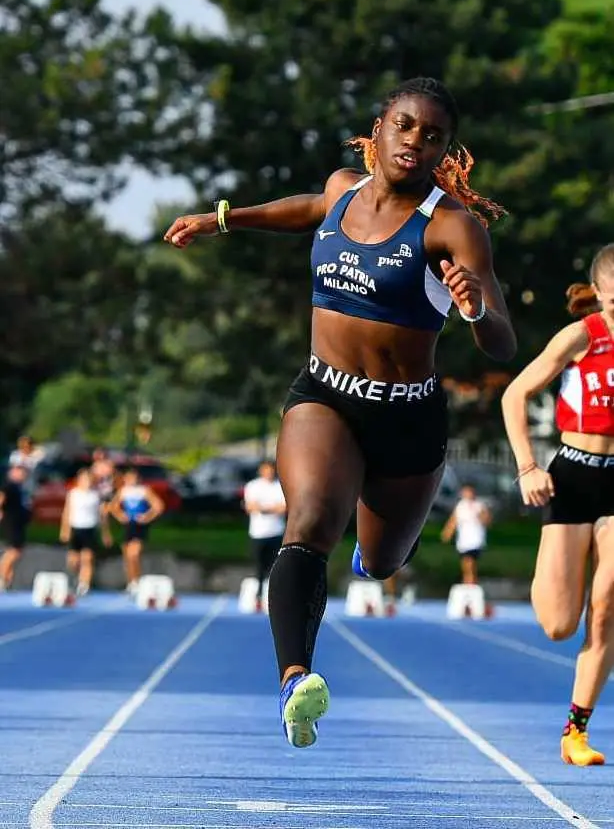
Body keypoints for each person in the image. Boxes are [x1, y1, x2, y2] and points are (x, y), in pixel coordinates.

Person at [164, 76, 516, 748]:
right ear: (380, 127)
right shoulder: (341, 189)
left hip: (407, 418)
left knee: (382, 562)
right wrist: (224, 218)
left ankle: (375, 546)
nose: (416, 142)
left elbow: (502, 335)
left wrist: (473, 308)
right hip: (324, 396)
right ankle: (297, 679)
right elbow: (307, 208)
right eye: (406, 126)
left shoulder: (451, 226)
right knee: (308, 525)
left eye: (433, 136)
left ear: (445, 149)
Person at [501, 243, 614, 767]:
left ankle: (576, 732)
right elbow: (514, 395)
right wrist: (528, 466)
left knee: (608, 607)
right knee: (558, 625)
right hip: (571, 476)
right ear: (600, 296)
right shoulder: (580, 336)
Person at [108, 467, 164, 595]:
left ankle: (137, 581)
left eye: (134, 478)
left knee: (134, 554)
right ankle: (131, 583)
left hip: (140, 527)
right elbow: (113, 506)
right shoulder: (123, 491)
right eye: (129, 478)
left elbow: (158, 506)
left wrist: (147, 516)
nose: (132, 480)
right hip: (129, 526)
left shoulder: (144, 491)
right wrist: (120, 515)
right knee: (128, 557)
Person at [59, 468, 113, 597]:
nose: (87, 482)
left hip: (90, 528)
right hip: (76, 528)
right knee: (74, 561)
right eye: (84, 479)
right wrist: (64, 529)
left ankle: (84, 585)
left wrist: (105, 533)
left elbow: (102, 516)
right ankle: (76, 579)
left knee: (87, 559)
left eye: (89, 479)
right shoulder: (73, 494)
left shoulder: (96, 495)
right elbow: (67, 512)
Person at [243, 460, 287, 612]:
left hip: (276, 532)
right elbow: (250, 506)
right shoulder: (253, 486)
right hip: (258, 533)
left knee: (275, 567)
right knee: (259, 566)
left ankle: (276, 598)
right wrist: (270, 508)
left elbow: (283, 507)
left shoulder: (280, 486)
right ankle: (259, 597)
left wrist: (263, 508)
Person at [441, 483, 492, 585]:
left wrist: (479, 515)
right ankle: (468, 582)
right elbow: (453, 521)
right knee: (465, 564)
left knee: (470, 563)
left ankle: (471, 582)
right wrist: (447, 533)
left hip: (476, 540)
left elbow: (487, 521)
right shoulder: (460, 506)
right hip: (464, 541)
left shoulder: (479, 505)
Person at [0, 465, 31, 591]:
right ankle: (2, 576)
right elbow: (1, 497)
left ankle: (7, 579)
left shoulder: (20, 488)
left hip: (19, 522)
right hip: (11, 522)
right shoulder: (9, 486)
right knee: (14, 551)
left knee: (16, 551)